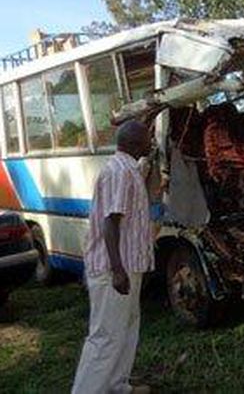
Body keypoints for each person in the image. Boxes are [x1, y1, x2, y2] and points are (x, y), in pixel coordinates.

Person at [72, 120, 153, 394]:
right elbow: (110, 222)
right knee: (105, 336)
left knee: (127, 328)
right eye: (147, 138)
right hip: (114, 268)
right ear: (133, 144)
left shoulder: (129, 168)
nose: (151, 141)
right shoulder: (120, 172)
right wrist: (117, 270)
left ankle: (117, 385)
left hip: (129, 264)